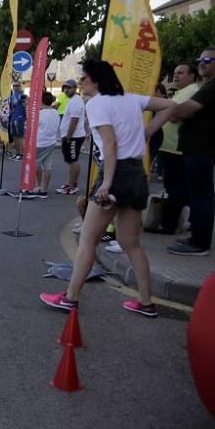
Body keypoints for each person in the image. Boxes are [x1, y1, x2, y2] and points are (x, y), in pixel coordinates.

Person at [40, 60, 175, 318]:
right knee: (131, 244)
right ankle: (146, 302)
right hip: (137, 173)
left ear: (97, 81)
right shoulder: (130, 99)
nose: (81, 83)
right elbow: (171, 106)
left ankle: (70, 298)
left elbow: (110, 145)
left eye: (85, 78)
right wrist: (147, 132)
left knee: (88, 239)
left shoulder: (98, 104)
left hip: (116, 173)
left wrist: (106, 182)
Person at [165, 47, 215, 256]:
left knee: (201, 196)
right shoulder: (207, 86)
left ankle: (199, 243)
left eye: (208, 59)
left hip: (201, 149)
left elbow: (184, 110)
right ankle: (196, 237)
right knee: (197, 195)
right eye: (199, 59)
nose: (202, 63)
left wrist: (168, 108)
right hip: (195, 149)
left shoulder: (211, 87)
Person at [146, 62, 200, 234]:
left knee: (176, 188)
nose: (176, 76)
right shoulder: (180, 93)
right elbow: (170, 112)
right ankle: (176, 222)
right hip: (168, 147)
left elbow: (175, 116)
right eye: (175, 73)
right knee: (173, 187)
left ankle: (170, 225)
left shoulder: (192, 92)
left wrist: (165, 111)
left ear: (192, 76)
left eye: (181, 73)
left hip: (176, 149)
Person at [56, 79, 86, 194]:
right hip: (71, 136)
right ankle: (71, 183)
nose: (66, 90)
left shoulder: (76, 101)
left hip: (74, 137)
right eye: (65, 88)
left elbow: (74, 120)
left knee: (73, 160)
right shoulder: (72, 100)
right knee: (70, 160)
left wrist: (68, 137)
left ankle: (72, 186)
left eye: (69, 87)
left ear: (75, 88)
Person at [32, 90, 61, 197]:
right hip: (51, 142)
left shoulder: (39, 114)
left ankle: (38, 186)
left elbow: (33, 129)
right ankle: (44, 190)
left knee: (36, 163)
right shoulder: (56, 113)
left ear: (41, 101)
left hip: (39, 142)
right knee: (48, 166)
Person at [8, 81, 26, 159]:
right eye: (14, 85)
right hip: (13, 117)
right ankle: (17, 153)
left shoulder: (22, 95)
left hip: (20, 117)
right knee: (14, 136)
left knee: (20, 136)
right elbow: (11, 108)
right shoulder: (12, 96)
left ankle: (21, 154)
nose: (15, 87)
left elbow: (26, 106)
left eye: (17, 86)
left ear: (20, 86)